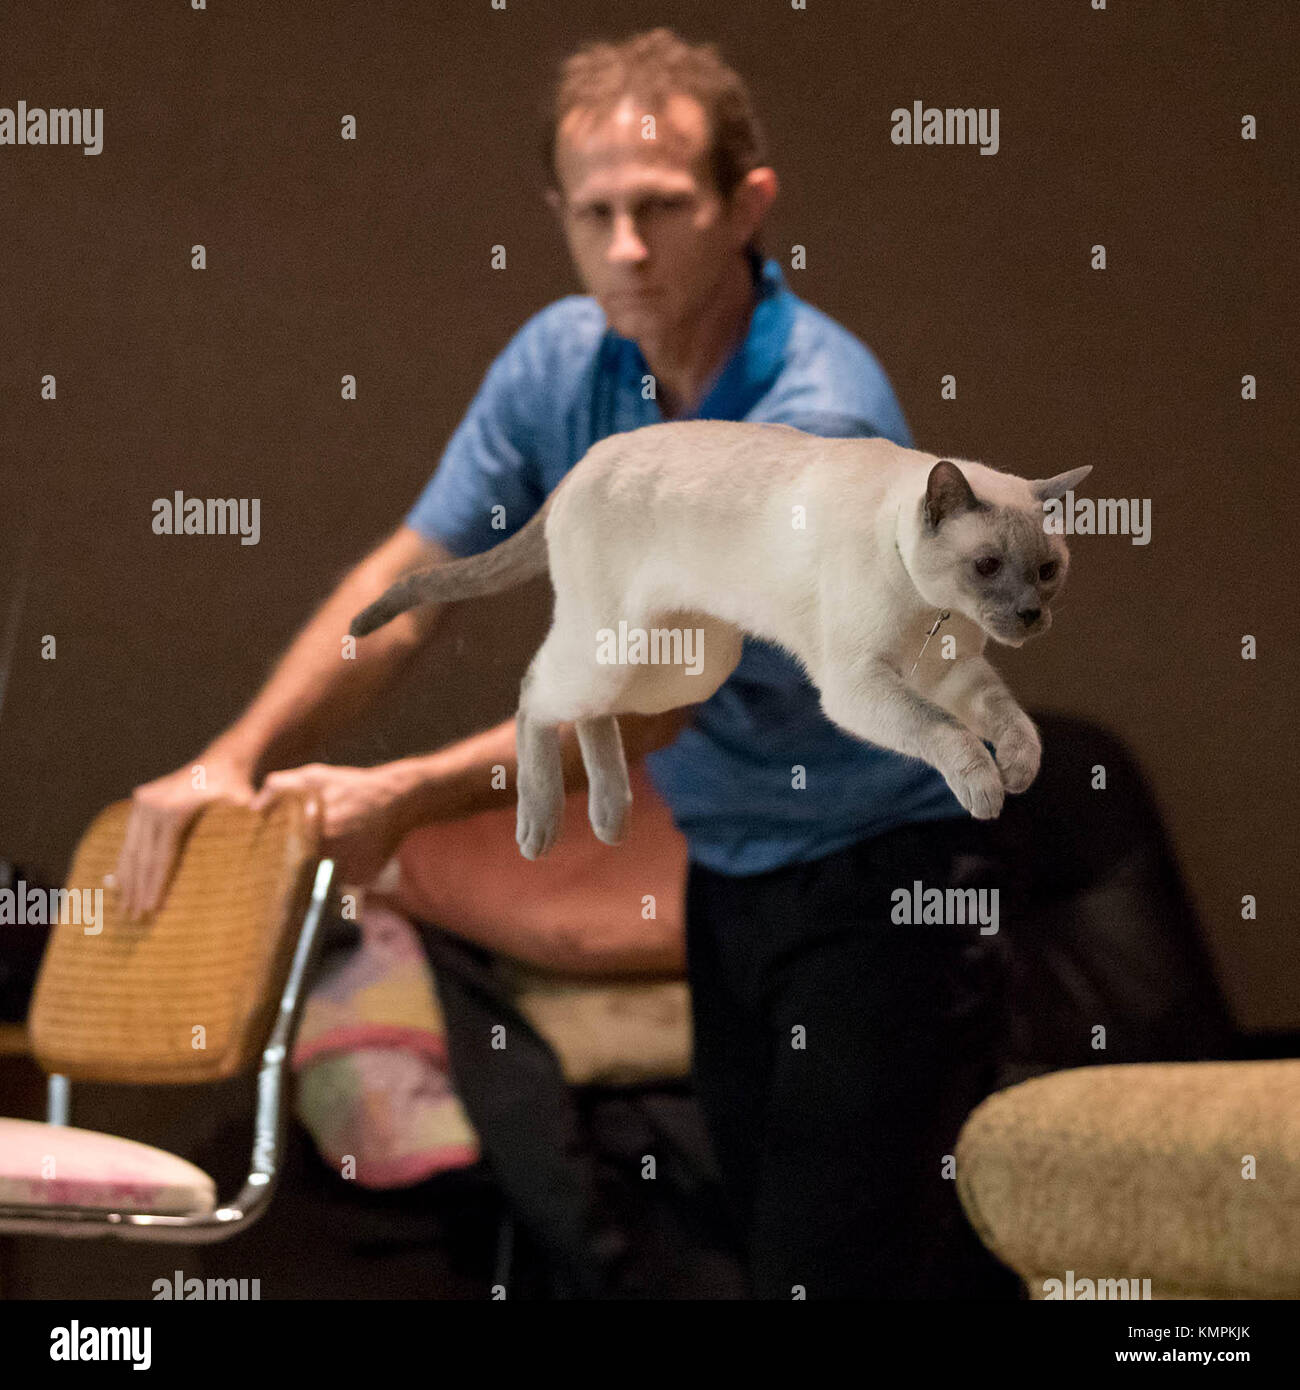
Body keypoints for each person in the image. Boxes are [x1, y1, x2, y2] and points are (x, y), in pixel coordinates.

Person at [115, 28, 1020, 1298]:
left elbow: (653, 694)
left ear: (746, 205)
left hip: (889, 874)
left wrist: (401, 794)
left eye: (661, 207)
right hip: (736, 864)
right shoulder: (561, 360)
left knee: (837, 1270)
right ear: (560, 213)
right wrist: (230, 760)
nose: (627, 248)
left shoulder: (813, 414)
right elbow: (409, 584)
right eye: (595, 213)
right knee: (766, 1253)